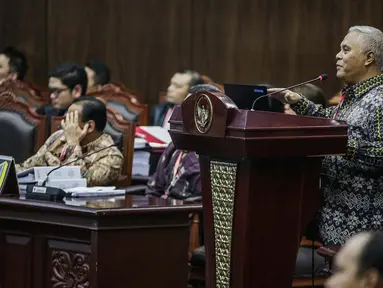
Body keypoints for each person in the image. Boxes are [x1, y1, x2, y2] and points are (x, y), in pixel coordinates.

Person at [268, 25, 383, 246]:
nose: (338, 56)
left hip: (364, 228)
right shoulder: (354, 97)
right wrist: (297, 102)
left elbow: (380, 152)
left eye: (346, 50)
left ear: (369, 58)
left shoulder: (379, 99)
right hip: (337, 221)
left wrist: (339, 144)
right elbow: (328, 119)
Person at [17, 96, 123, 186]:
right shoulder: (58, 137)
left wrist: (73, 144)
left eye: (71, 119)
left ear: (89, 126)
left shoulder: (112, 157)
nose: (65, 124)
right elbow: (28, 167)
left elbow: (79, 181)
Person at [146, 84, 221, 199]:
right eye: (184, 108)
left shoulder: (219, 153)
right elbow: (154, 189)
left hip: (186, 212)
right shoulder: (175, 146)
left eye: (191, 110)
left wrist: (191, 157)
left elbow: (205, 197)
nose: (183, 115)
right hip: (161, 210)